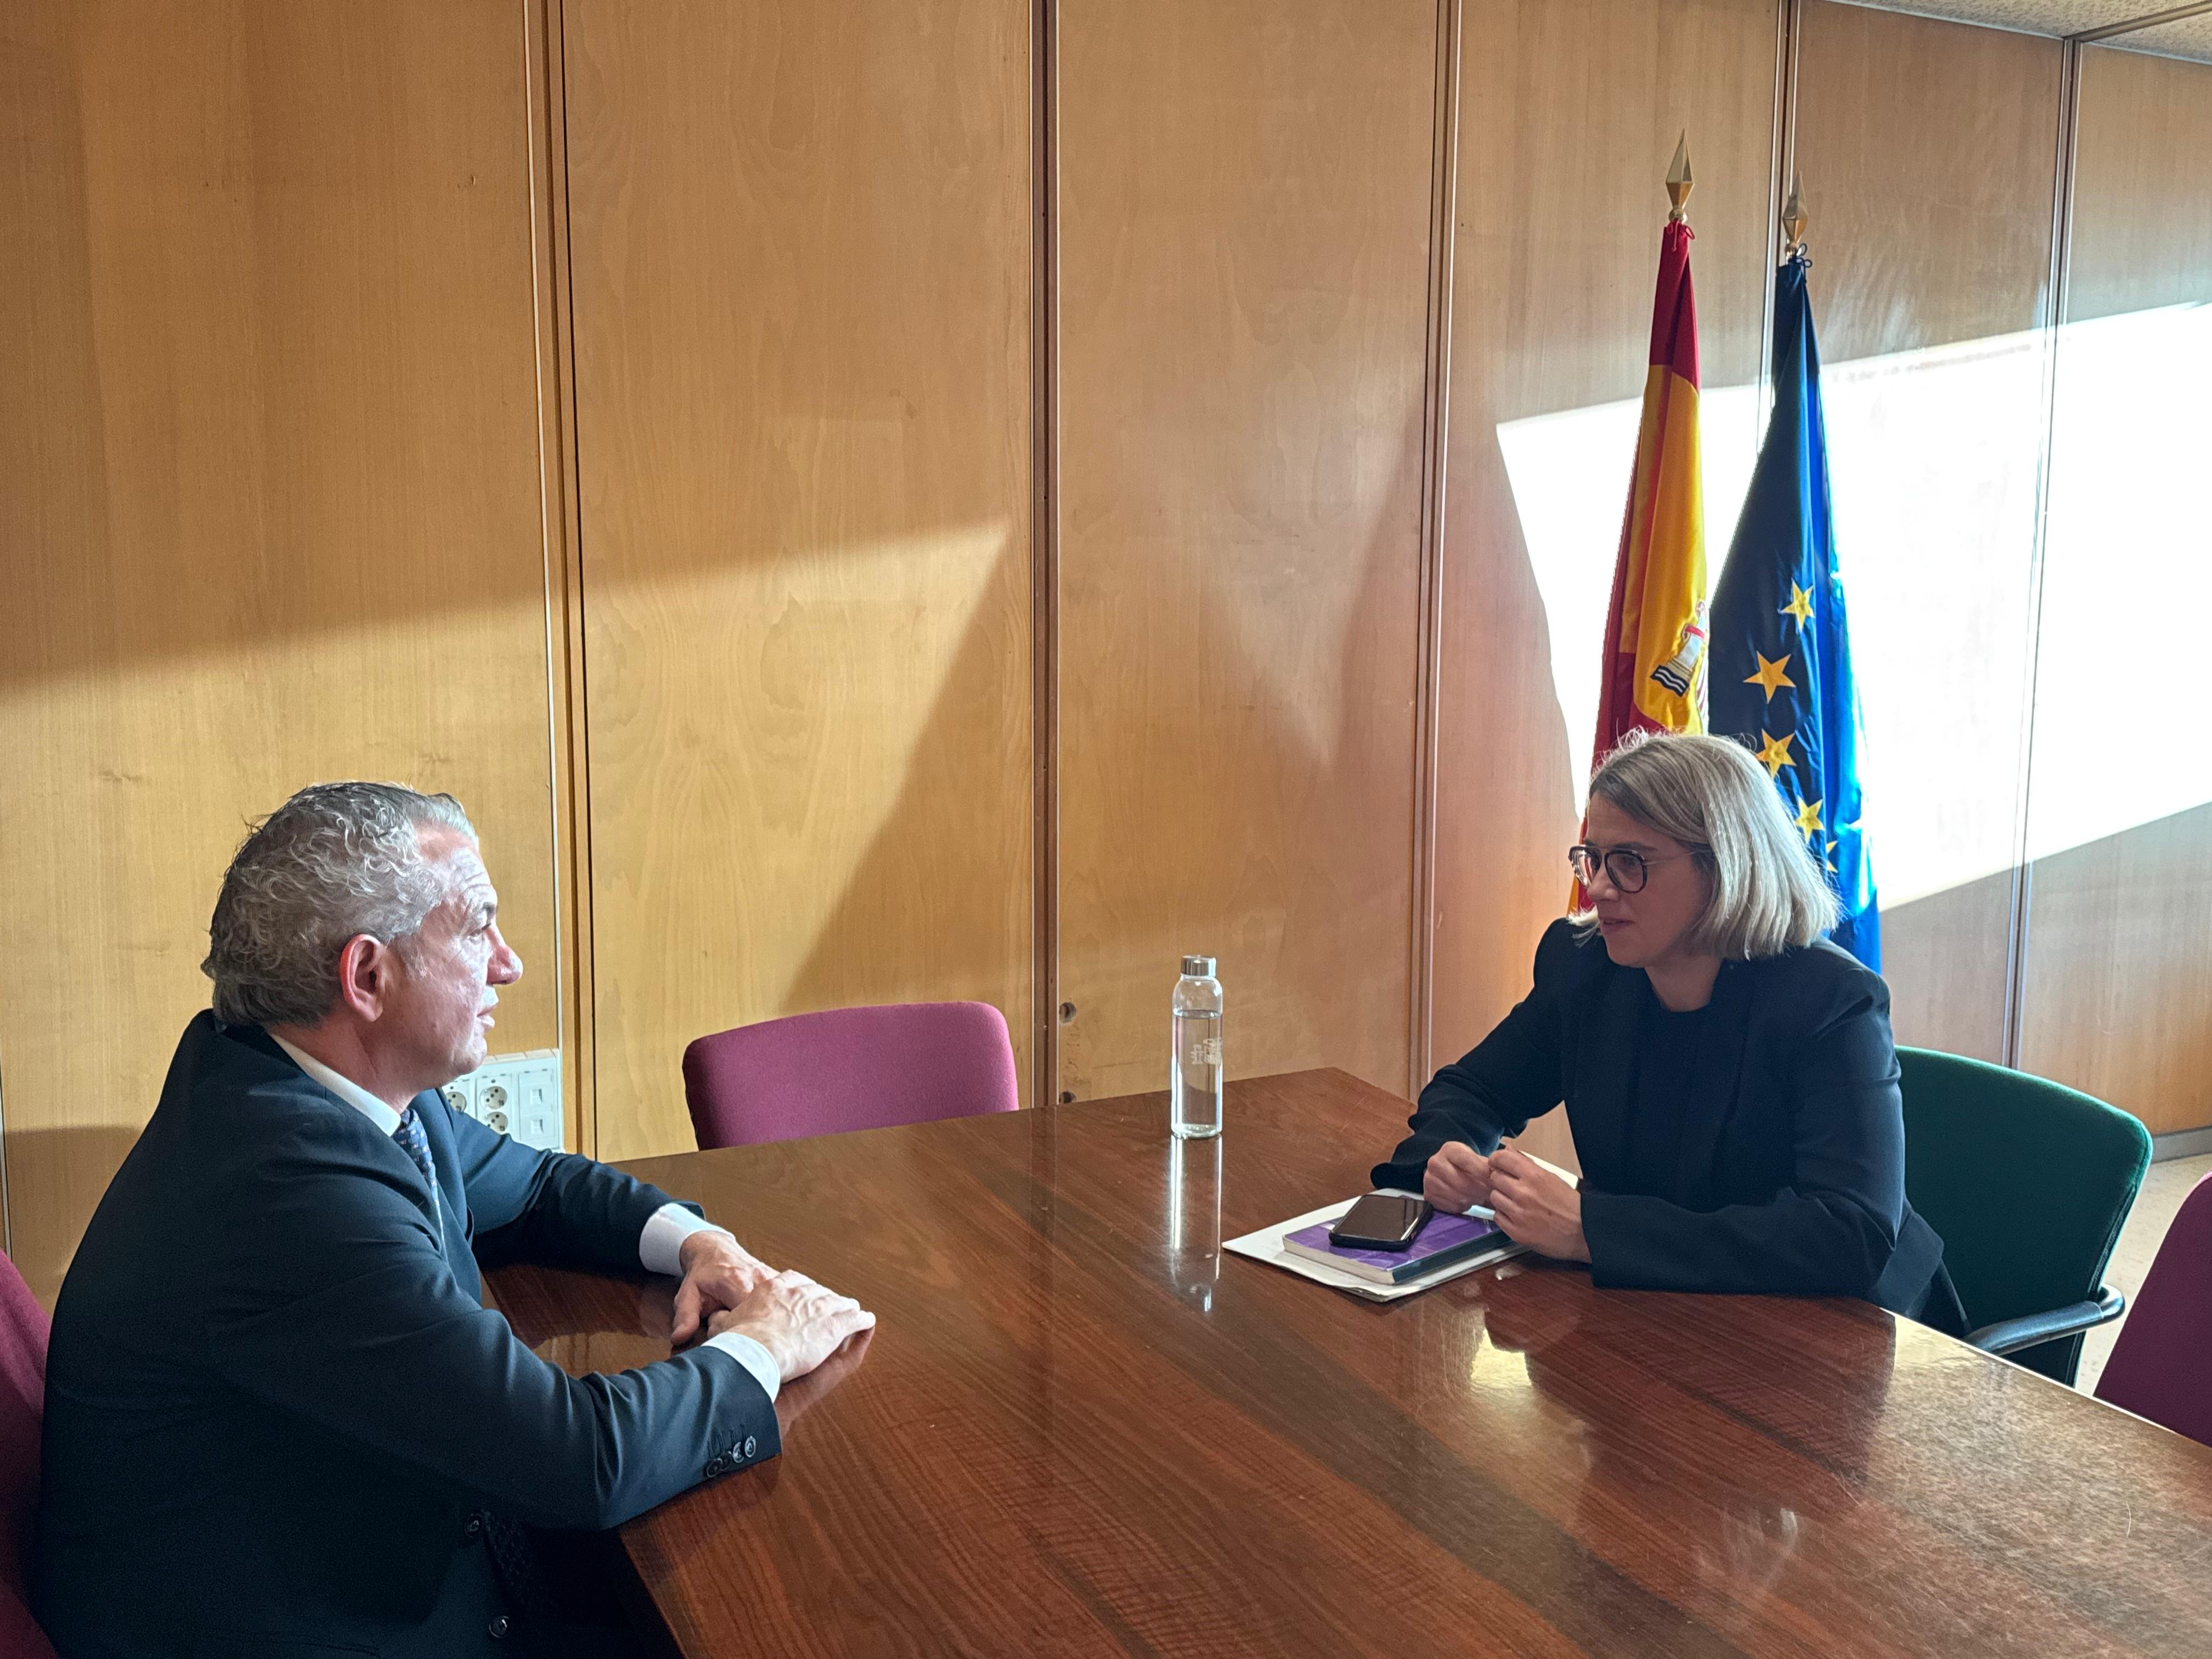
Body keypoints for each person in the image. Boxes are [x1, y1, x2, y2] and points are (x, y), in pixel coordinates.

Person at [33, 783, 876, 1657]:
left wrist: (703, 1245)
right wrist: (767, 1346)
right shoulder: (282, 1188)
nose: (507, 963)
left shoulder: (325, 1084)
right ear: (368, 977)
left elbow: (541, 1186)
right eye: (477, 926)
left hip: (390, 1554)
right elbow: (578, 1461)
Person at [1372, 730, 1964, 1329]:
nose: (1598, 888)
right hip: (1663, 1311)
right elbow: (1472, 1090)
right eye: (1592, 859)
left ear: (1724, 865)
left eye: (1631, 862)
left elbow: (1850, 1234)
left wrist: (1589, 1232)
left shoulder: (1829, 1002)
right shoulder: (1583, 966)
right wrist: (1447, 1157)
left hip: (1848, 1334)